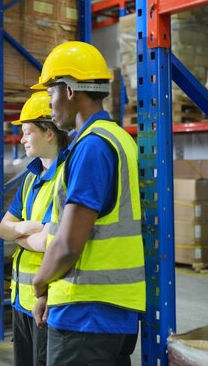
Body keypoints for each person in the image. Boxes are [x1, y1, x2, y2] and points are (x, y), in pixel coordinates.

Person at [30, 42, 145, 366]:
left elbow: (69, 244)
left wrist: (40, 284)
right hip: (105, 311)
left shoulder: (92, 147)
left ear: (68, 90)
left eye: (51, 94)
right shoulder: (118, 137)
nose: (49, 106)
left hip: (87, 318)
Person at [0, 91, 69, 366]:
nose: (22, 139)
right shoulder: (30, 179)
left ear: (49, 133)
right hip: (20, 301)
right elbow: (3, 229)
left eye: (27, 132)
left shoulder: (65, 176)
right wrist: (29, 228)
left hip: (47, 301)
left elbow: (50, 241)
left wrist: (20, 234)